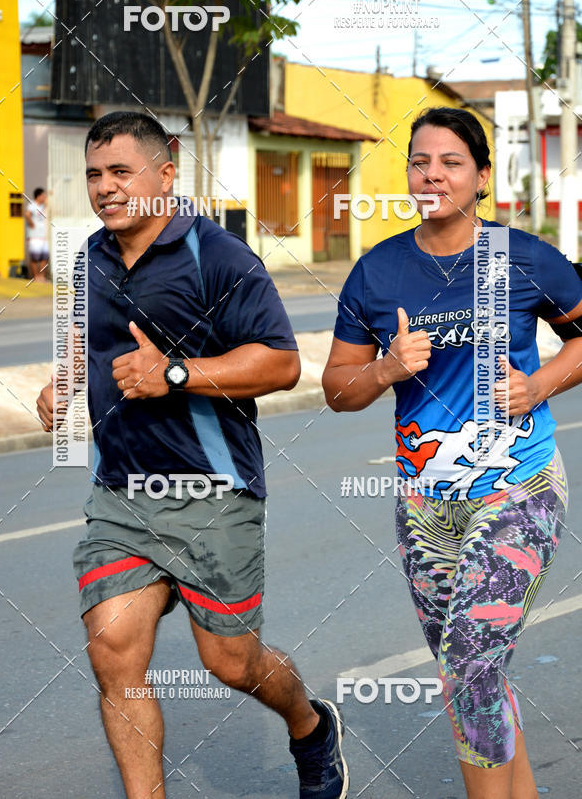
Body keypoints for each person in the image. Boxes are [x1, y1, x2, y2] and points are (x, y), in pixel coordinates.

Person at [36, 111, 349, 799]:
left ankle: (309, 725)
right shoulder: (84, 257)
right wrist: (60, 384)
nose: (105, 188)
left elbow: (282, 364)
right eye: (94, 174)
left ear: (166, 173)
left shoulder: (222, 257)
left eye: (121, 172)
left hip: (215, 493)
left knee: (231, 662)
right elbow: (79, 343)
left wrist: (174, 373)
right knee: (114, 651)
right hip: (120, 493)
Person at [322, 106, 582, 799]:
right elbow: (337, 390)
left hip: (519, 489)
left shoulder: (521, 257)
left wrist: (539, 384)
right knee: (473, 674)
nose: (432, 174)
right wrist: (383, 371)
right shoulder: (377, 273)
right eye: (419, 161)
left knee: (468, 665)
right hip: (424, 508)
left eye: (451, 162)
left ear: (481, 178)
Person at [25, 187, 50, 281]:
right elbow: (27, 214)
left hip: (44, 236)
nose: (44, 197)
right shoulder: (32, 204)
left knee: (45, 257)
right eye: (43, 195)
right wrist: (32, 224)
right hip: (34, 236)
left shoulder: (43, 206)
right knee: (35, 257)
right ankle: (36, 276)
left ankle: (42, 276)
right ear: (38, 196)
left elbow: (49, 206)